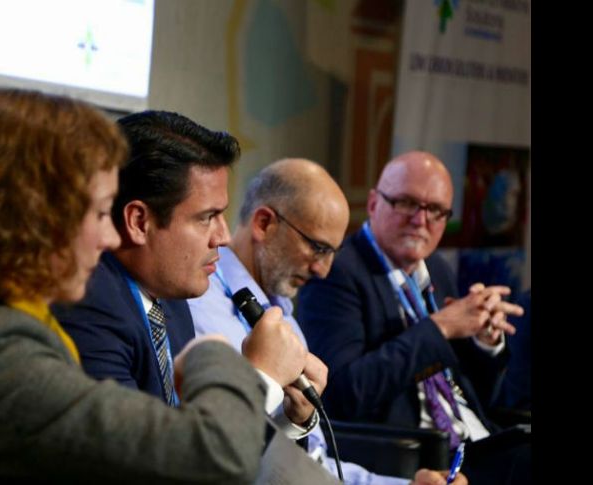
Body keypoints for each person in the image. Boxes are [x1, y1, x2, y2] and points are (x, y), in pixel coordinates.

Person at [0, 88, 281, 483]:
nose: (110, 238)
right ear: (34, 217)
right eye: (98, 212)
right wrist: (213, 356)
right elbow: (213, 457)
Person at [52, 111, 326, 445]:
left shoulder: (172, 299)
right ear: (139, 221)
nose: (222, 237)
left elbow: (190, 440)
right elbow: (140, 459)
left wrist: (289, 418)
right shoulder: (89, 304)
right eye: (207, 217)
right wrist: (259, 379)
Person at [188, 158, 466, 485]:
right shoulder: (201, 307)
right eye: (317, 248)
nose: (324, 270)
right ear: (264, 223)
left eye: (333, 252)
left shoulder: (282, 313)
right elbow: (220, 451)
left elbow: (315, 463)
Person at [297, 151, 529, 485]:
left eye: (435, 210)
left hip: (473, 439)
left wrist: (483, 340)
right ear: (375, 203)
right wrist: (441, 327)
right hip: (412, 455)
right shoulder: (338, 273)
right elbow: (343, 394)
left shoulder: (435, 269)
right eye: (407, 203)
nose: (421, 221)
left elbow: (473, 388)